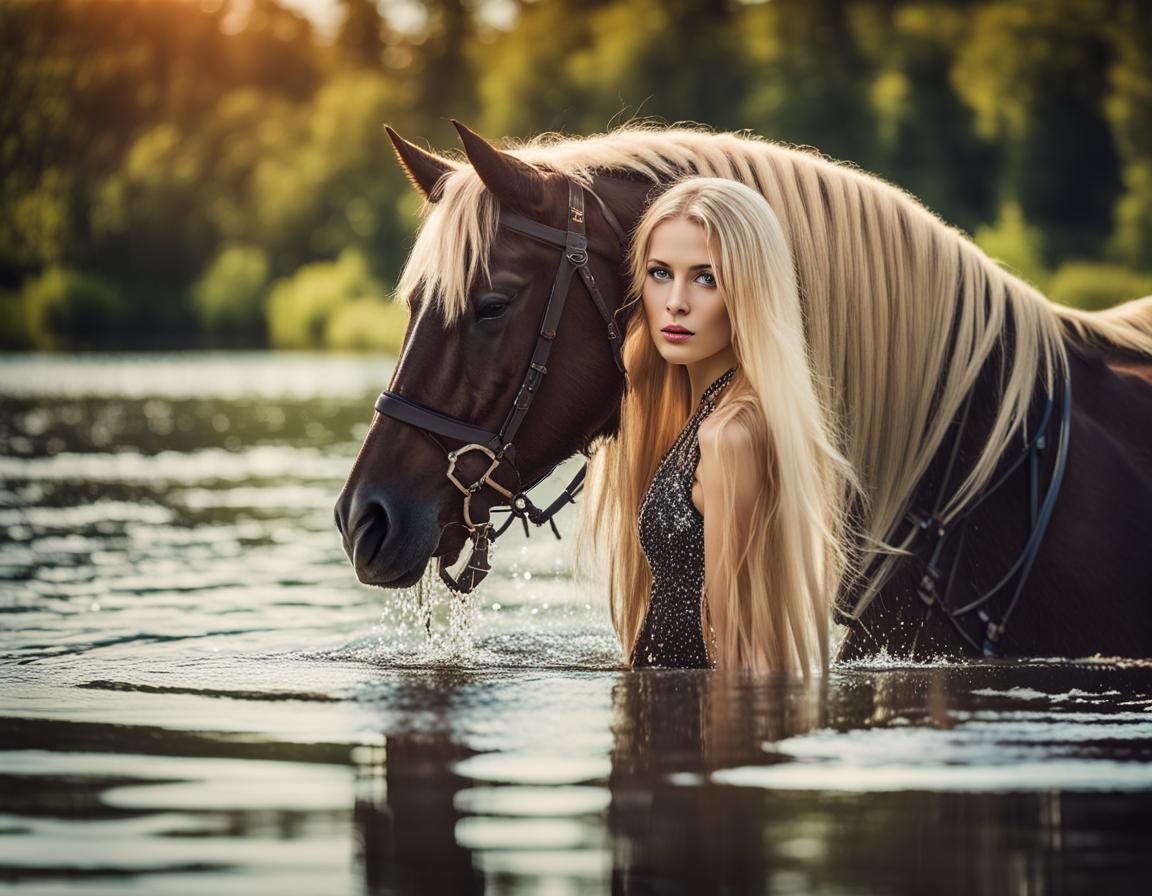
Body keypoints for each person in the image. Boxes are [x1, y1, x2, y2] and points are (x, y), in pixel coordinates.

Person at [578, 178, 856, 678]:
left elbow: (743, 658)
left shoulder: (729, 435)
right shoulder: (713, 413)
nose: (675, 302)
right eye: (660, 273)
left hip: (689, 736)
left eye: (706, 278)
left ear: (749, 292)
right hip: (668, 729)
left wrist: (723, 751)